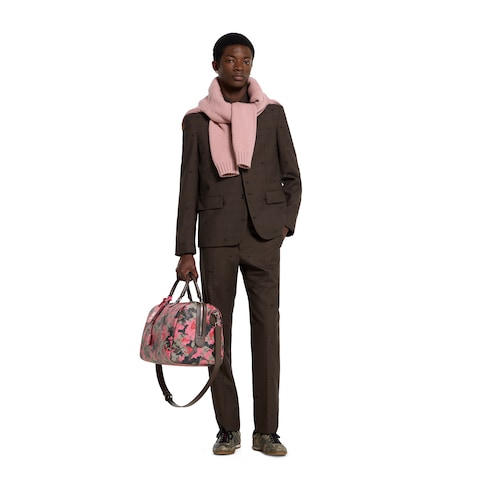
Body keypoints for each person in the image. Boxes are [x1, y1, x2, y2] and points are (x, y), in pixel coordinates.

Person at [174, 33, 302, 456]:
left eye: (246, 60)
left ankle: (267, 431)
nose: (239, 67)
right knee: (217, 334)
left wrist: (284, 226)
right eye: (231, 60)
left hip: (264, 237)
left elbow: (292, 178)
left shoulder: (273, 113)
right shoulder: (196, 121)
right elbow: (188, 187)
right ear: (216, 65)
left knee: (267, 333)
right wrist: (185, 250)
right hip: (216, 240)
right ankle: (228, 428)